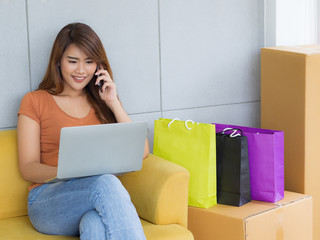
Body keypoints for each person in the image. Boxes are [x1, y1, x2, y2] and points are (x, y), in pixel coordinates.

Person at [17, 22, 149, 240]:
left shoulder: (102, 101)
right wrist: (68, 173)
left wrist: (113, 102)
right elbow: (28, 168)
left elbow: (141, 151)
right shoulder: (35, 101)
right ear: (58, 61)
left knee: (94, 224)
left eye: (89, 62)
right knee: (106, 182)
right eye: (72, 61)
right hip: (47, 201)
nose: (81, 70)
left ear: (98, 66)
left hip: (90, 201)